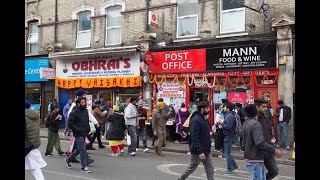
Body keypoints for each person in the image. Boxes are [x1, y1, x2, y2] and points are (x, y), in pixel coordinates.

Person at [242, 104, 282, 180]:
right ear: (256, 110)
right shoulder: (256, 124)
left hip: (252, 157)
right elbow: (260, 142)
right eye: (263, 107)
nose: (265, 108)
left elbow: (243, 141)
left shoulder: (246, 122)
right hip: (255, 158)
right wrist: (274, 150)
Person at [178, 101, 214, 180]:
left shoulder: (204, 119)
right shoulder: (196, 120)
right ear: (202, 109)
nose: (209, 110)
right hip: (198, 151)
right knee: (191, 168)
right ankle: (180, 179)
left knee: (210, 169)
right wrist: (200, 151)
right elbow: (194, 137)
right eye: (207, 108)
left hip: (206, 150)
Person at [255, 98, 279, 180]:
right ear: (257, 107)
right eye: (263, 107)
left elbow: (269, 131)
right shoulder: (253, 120)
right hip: (257, 152)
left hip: (268, 149)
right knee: (258, 175)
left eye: (266, 107)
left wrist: (272, 143)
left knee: (274, 171)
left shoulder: (265, 117)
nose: (266, 108)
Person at [65, 97, 91, 173]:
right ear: (78, 104)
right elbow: (70, 124)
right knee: (83, 149)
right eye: (83, 102)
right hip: (78, 134)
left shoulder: (86, 111)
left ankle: (69, 159)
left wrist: (88, 129)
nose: (84, 104)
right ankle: (84, 167)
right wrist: (78, 129)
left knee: (80, 149)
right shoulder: (74, 113)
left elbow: (86, 121)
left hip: (85, 132)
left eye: (84, 102)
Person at [25, 99, 47, 180]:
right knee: (35, 167)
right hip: (33, 144)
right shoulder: (35, 115)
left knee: (34, 168)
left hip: (27, 145)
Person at [222, 102, 239, 174]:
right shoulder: (230, 115)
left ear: (228, 108)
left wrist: (222, 124)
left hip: (229, 136)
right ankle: (234, 165)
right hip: (228, 135)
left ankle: (230, 168)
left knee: (227, 153)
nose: (224, 108)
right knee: (225, 152)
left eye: (225, 107)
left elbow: (228, 126)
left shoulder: (230, 116)